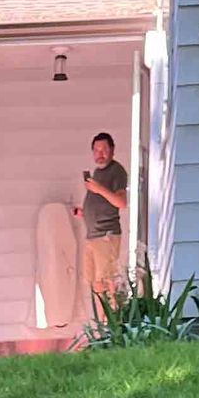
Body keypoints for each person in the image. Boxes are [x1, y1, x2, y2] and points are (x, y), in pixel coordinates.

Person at [77, 132, 129, 308]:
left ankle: (111, 325)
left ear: (112, 150)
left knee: (108, 284)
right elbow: (102, 204)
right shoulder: (98, 173)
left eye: (104, 149)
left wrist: (98, 189)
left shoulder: (117, 171)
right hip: (92, 235)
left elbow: (121, 202)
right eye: (96, 150)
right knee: (95, 284)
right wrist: (84, 213)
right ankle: (101, 325)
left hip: (106, 236)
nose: (100, 154)